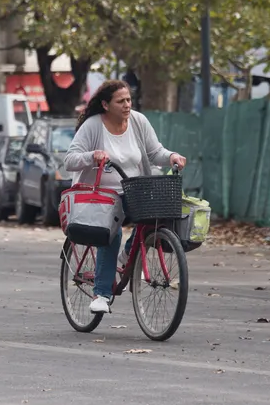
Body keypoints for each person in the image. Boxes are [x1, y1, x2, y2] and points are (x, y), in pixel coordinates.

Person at [64, 80, 187, 314]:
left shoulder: (138, 121)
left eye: (129, 100)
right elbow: (69, 160)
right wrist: (93, 156)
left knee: (155, 220)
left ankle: (127, 255)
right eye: (120, 101)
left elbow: (154, 152)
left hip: (134, 189)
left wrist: (171, 156)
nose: (127, 105)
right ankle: (101, 294)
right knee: (112, 231)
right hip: (100, 196)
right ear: (105, 105)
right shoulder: (92, 126)